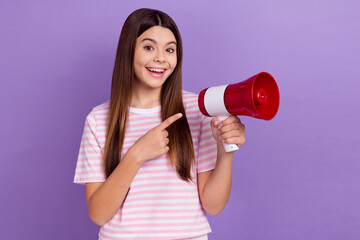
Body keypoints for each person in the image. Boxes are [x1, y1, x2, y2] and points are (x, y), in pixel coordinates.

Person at [74, 8, 246, 240]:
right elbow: (98, 214)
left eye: (170, 50)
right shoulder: (98, 119)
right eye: (148, 47)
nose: (160, 58)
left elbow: (213, 205)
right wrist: (136, 155)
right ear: (129, 51)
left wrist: (225, 150)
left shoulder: (197, 109)